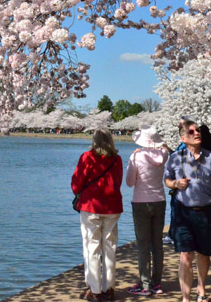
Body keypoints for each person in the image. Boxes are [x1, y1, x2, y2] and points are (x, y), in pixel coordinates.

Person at [165, 119, 211, 302]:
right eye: (191, 131)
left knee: (203, 253)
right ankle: (186, 298)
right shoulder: (175, 158)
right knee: (185, 255)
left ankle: (201, 289)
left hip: (206, 213)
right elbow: (167, 180)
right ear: (183, 138)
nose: (197, 133)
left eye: (198, 130)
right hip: (182, 213)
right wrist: (175, 183)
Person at [72, 128, 124, 302]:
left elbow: (76, 184)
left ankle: (94, 289)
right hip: (112, 207)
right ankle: (109, 288)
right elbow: (117, 182)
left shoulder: (87, 157)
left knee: (91, 247)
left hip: (91, 207)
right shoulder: (117, 159)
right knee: (110, 248)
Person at [125, 125, 169, 296]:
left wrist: (134, 159)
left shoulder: (136, 156)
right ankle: (157, 283)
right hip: (159, 200)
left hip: (141, 202)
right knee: (157, 243)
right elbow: (164, 149)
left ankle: (144, 284)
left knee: (143, 244)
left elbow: (130, 182)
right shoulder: (164, 155)